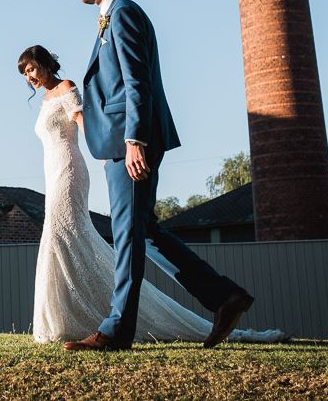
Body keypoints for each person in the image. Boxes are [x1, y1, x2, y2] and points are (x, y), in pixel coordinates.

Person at [20, 44, 285, 345]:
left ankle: (115, 323)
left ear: (44, 63)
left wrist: (105, 153)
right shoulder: (42, 102)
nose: (30, 76)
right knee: (60, 236)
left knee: (73, 231)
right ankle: (67, 315)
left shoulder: (66, 88)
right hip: (50, 172)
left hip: (68, 169)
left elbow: (83, 122)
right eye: (25, 73)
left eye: (31, 68)